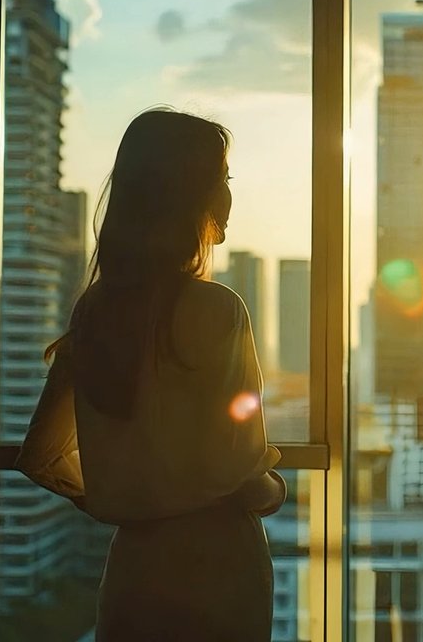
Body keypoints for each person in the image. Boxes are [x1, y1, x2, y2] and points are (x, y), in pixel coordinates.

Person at [16, 107, 286, 641]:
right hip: (218, 569)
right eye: (223, 180)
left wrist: (127, 496)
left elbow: (40, 456)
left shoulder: (97, 312)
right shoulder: (218, 310)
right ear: (188, 195)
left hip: (135, 569)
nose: (229, 197)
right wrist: (270, 491)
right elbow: (236, 465)